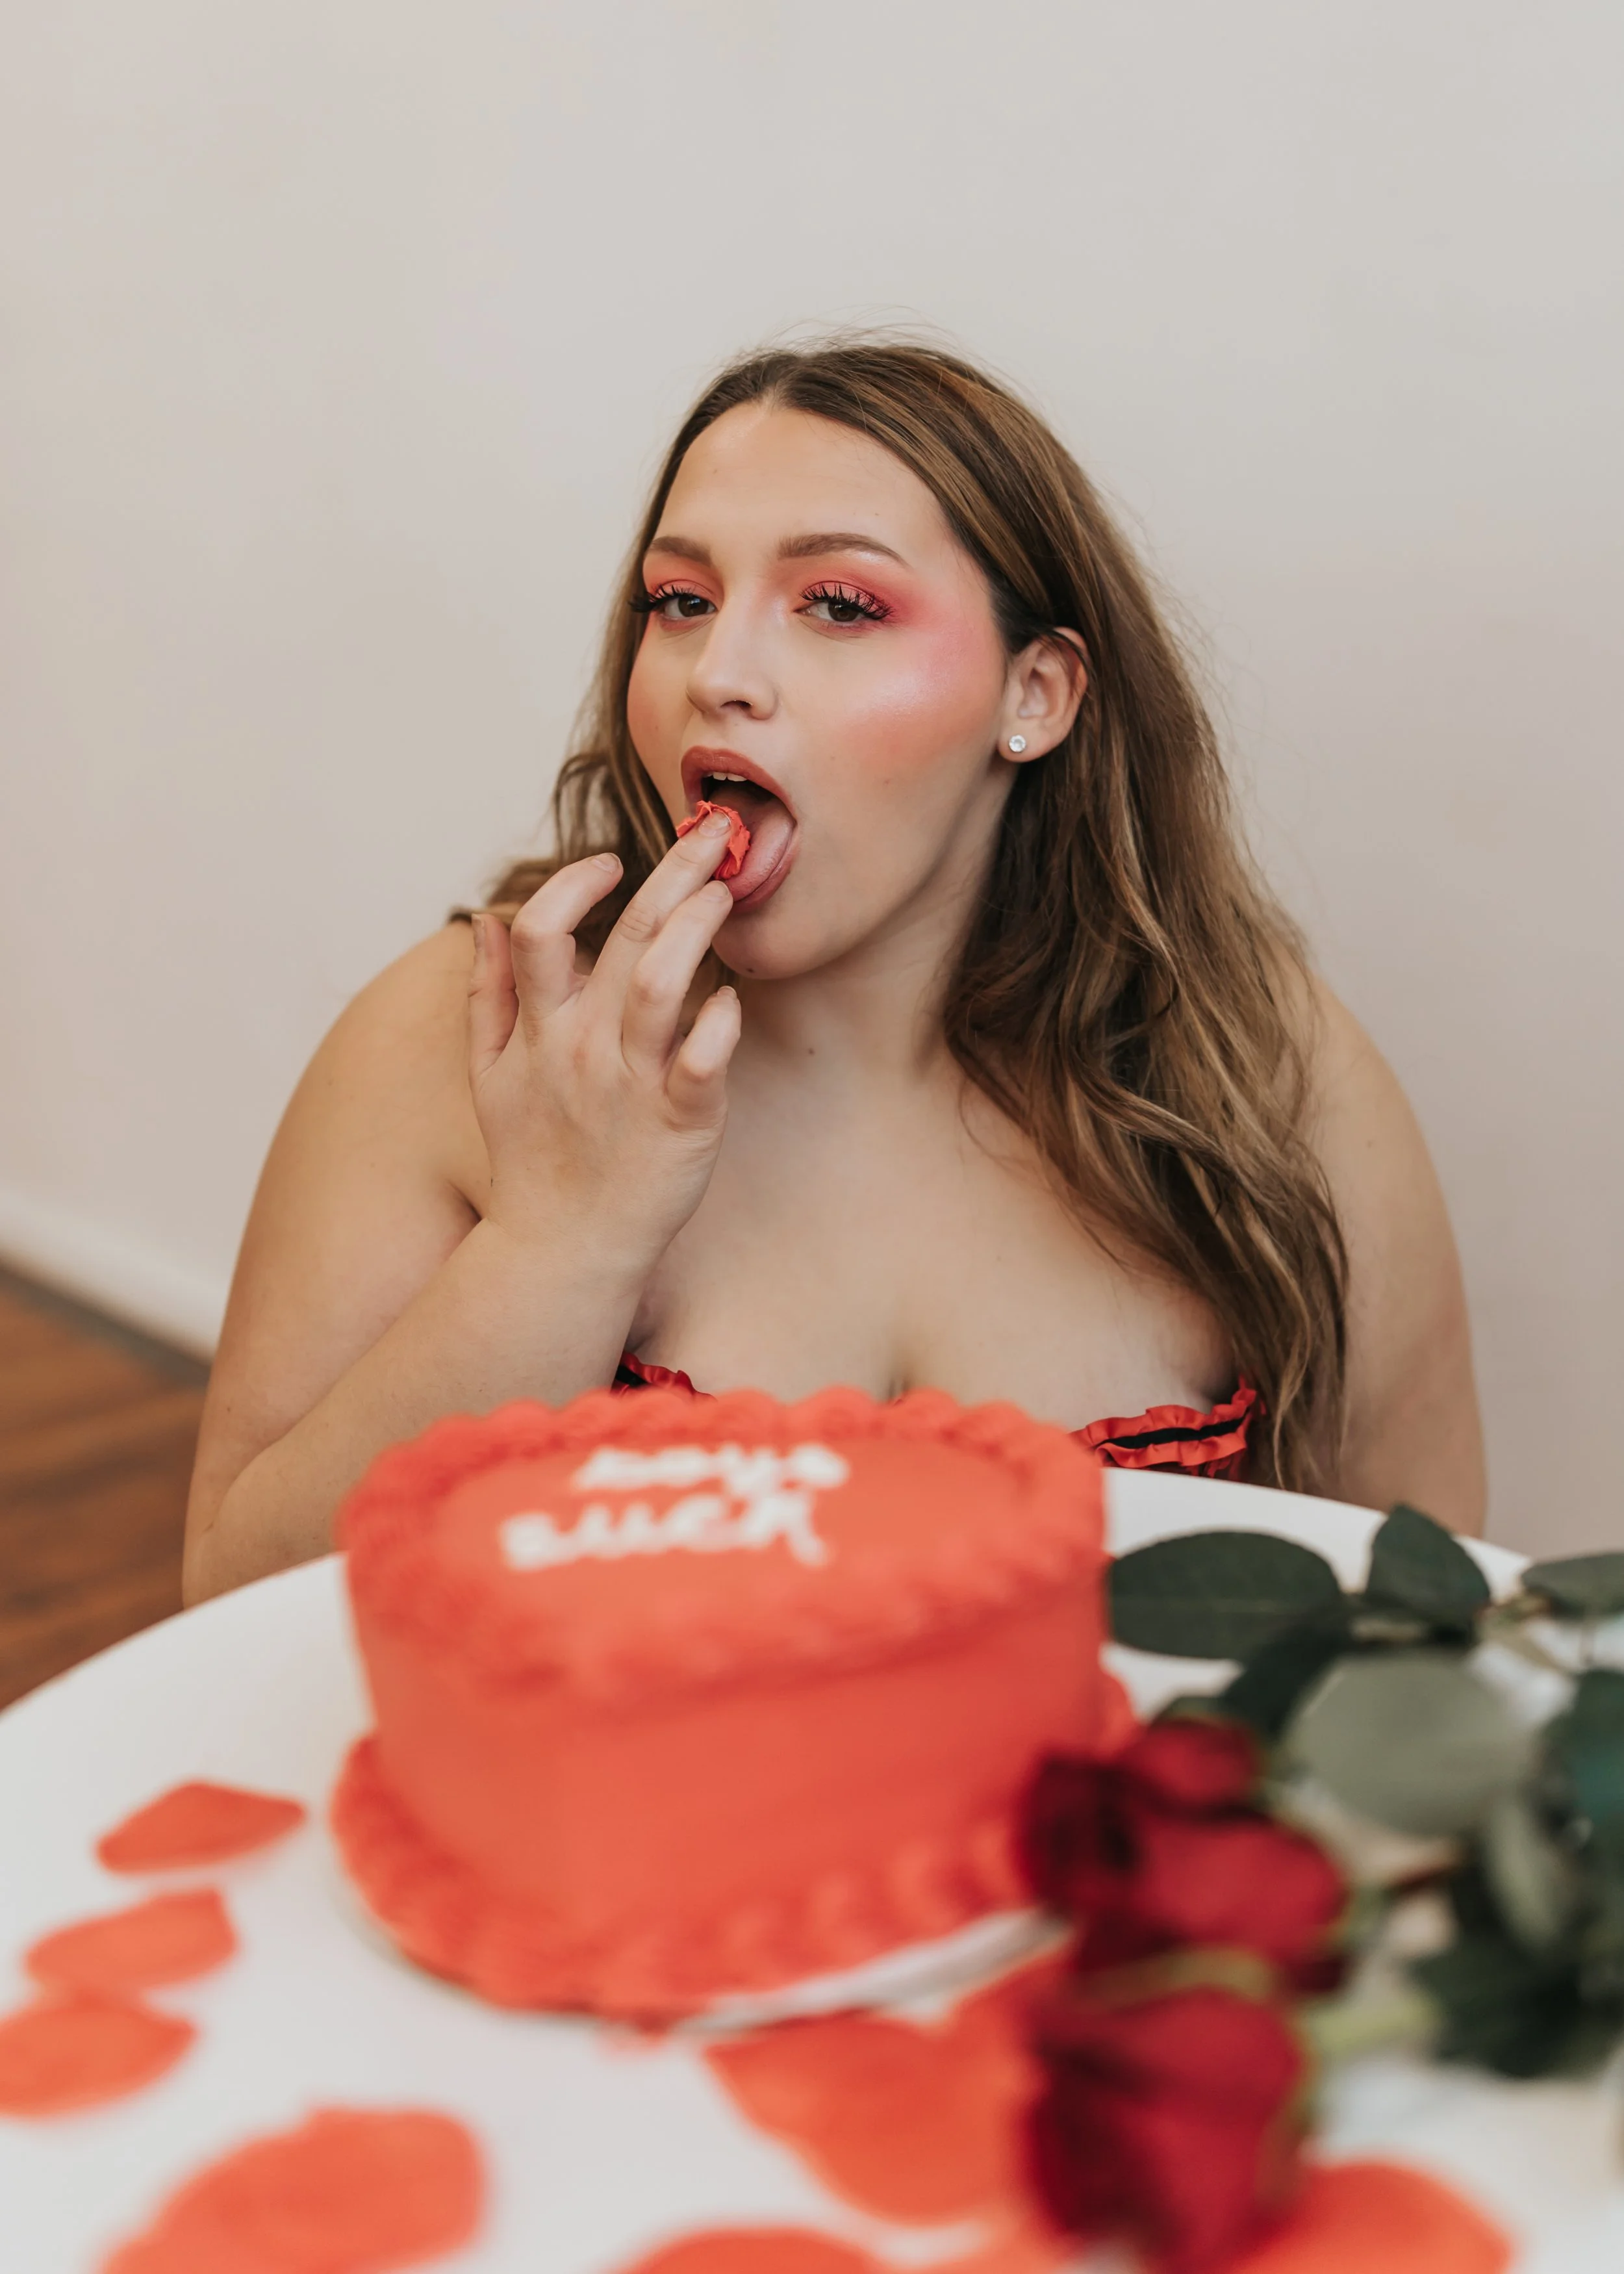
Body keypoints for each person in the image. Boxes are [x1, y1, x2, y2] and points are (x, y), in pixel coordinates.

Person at [183, 340, 1484, 1600]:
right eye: (680, 601)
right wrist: (555, 1245)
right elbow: (233, 1605)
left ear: (1033, 695)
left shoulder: (1261, 1064)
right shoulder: (469, 1031)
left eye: (841, 606)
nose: (719, 674)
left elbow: (1426, 1602)